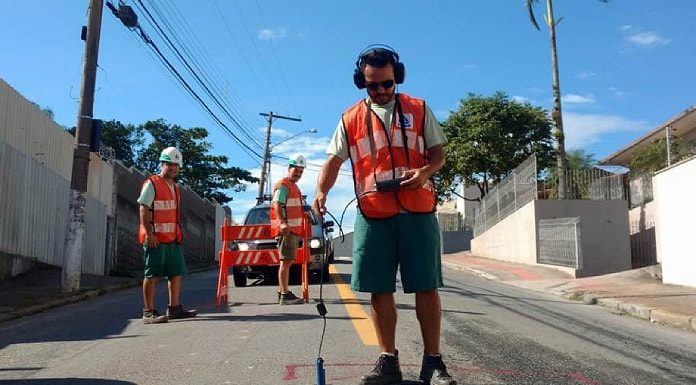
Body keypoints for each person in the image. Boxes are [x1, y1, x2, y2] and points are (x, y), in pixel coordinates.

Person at [312, 46, 456, 385]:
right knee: (379, 289)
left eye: (386, 84)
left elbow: (438, 156)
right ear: (361, 82)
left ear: (398, 78)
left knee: (426, 286)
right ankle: (388, 361)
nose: (379, 91)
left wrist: (423, 173)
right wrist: (321, 191)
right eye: (371, 85)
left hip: (417, 209)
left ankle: (433, 363)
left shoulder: (419, 109)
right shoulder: (350, 119)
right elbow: (334, 161)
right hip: (373, 211)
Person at [137, 147, 198, 324]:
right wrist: (149, 233)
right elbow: (144, 208)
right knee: (152, 275)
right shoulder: (152, 183)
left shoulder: (176, 187)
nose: (173, 168)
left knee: (176, 273)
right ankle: (148, 312)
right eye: (170, 164)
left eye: (176, 165)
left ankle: (174, 309)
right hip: (155, 238)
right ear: (162, 164)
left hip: (172, 238)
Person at [270, 154, 308, 305]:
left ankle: (283, 292)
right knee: (285, 262)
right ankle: (284, 294)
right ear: (289, 169)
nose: (298, 174)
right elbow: (277, 205)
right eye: (296, 171)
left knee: (288, 260)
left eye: (301, 172)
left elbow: (290, 207)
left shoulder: (293, 187)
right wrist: (282, 222)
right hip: (286, 230)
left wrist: (304, 214)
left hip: (292, 230)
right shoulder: (283, 185)